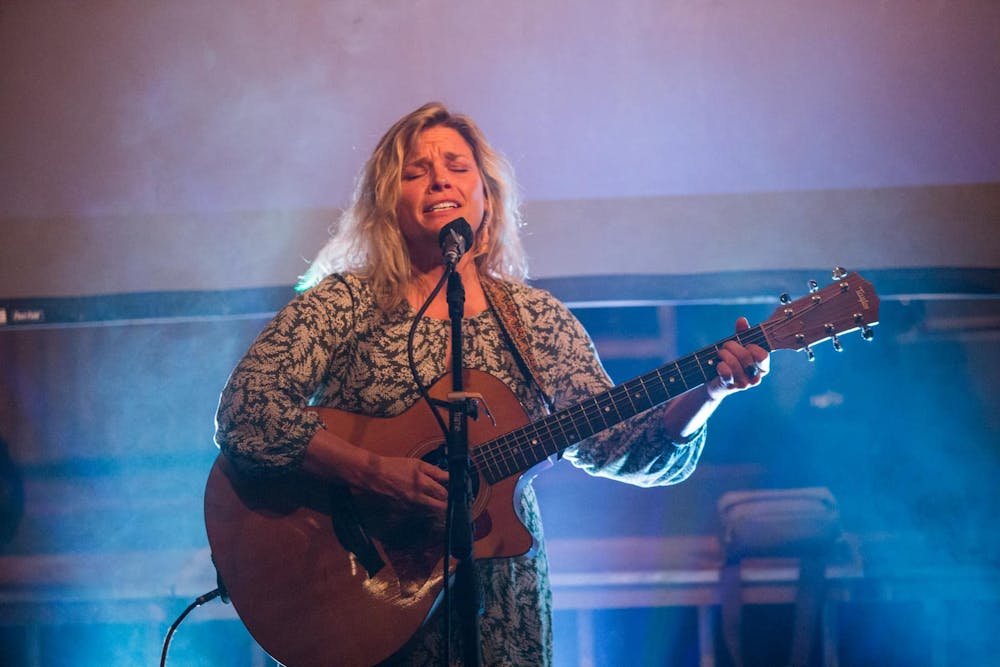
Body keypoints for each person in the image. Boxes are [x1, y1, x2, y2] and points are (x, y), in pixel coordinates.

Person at [214, 101, 769, 665]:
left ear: (487, 194)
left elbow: (621, 447)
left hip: (504, 608)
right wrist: (375, 472)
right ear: (386, 202)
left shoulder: (534, 319)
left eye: (457, 166)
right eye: (416, 172)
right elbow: (246, 409)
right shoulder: (343, 303)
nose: (439, 180)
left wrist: (708, 393)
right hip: (366, 606)